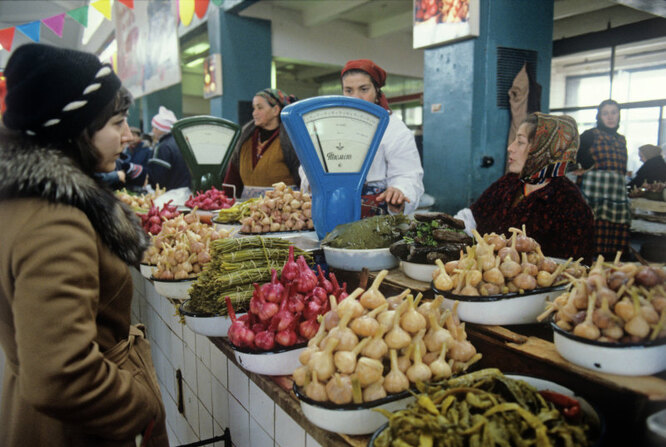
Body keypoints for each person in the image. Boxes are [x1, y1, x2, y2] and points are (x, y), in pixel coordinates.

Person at [0, 43, 168, 446]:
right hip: (75, 431)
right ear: (74, 131)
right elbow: (60, 375)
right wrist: (142, 406)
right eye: (116, 122)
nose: (128, 135)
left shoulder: (26, 201)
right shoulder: (55, 223)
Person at [456, 113, 594, 261]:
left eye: (520, 142)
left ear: (542, 149)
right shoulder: (508, 183)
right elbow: (471, 218)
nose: (510, 147)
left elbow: (572, 269)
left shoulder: (570, 204)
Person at [302, 59, 424, 215]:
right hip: (333, 208)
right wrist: (311, 181)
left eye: (364, 89)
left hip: (377, 216)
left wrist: (399, 191)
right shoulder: (331, 124)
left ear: (377, 90)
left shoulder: (394, 130)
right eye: (349, 90)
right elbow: (308, 163)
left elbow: (408, 174)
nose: (356, 98)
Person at [575, 99, 631, 259]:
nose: (610, 117)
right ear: (599, 116)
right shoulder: (590, 135)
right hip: (593, 196)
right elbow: (572, 150)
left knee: (615, 243)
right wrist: (585, 166)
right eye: (605, 113)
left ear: (619, 115)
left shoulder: (622, 140)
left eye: (614, 112)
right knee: (592, 236)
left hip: (616, 196)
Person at [223, 88, 300, 199]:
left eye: (260, 108)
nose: (254, 113)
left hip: (281, 210)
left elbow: (304, 178)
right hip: (247, 210)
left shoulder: (291, 139)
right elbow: (233, 175)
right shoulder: (245, 139)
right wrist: (225, 202)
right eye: (254, 108)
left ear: (276, 110)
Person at [146, 105, 191, 190]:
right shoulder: (182, 143)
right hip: (186, 192)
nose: (153, 131)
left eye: (155, 128)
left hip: (169, 195)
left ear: (161, 129)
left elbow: (158, 178)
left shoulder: (163, 147)